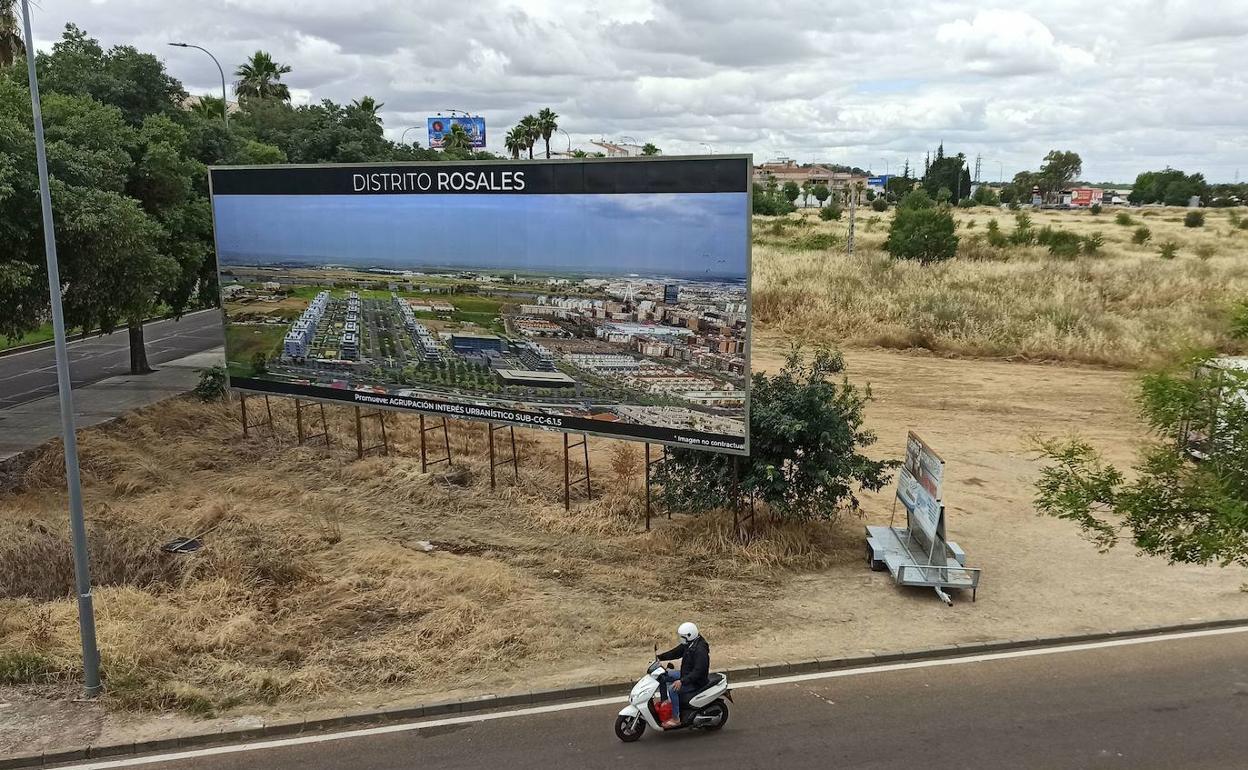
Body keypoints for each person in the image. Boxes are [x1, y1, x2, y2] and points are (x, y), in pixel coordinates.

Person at [655, 622, 709, 729]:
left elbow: (698, 671)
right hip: (686, 675)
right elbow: (676, 652)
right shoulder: (690, 643)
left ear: (689, 635)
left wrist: (682, 681)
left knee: (673, 689)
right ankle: (666, 702)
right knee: (662, 676)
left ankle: (676, 718)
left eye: (682, 637)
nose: (680, 639)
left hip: (695, 681)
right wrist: (660, 658)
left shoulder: (700, 650)